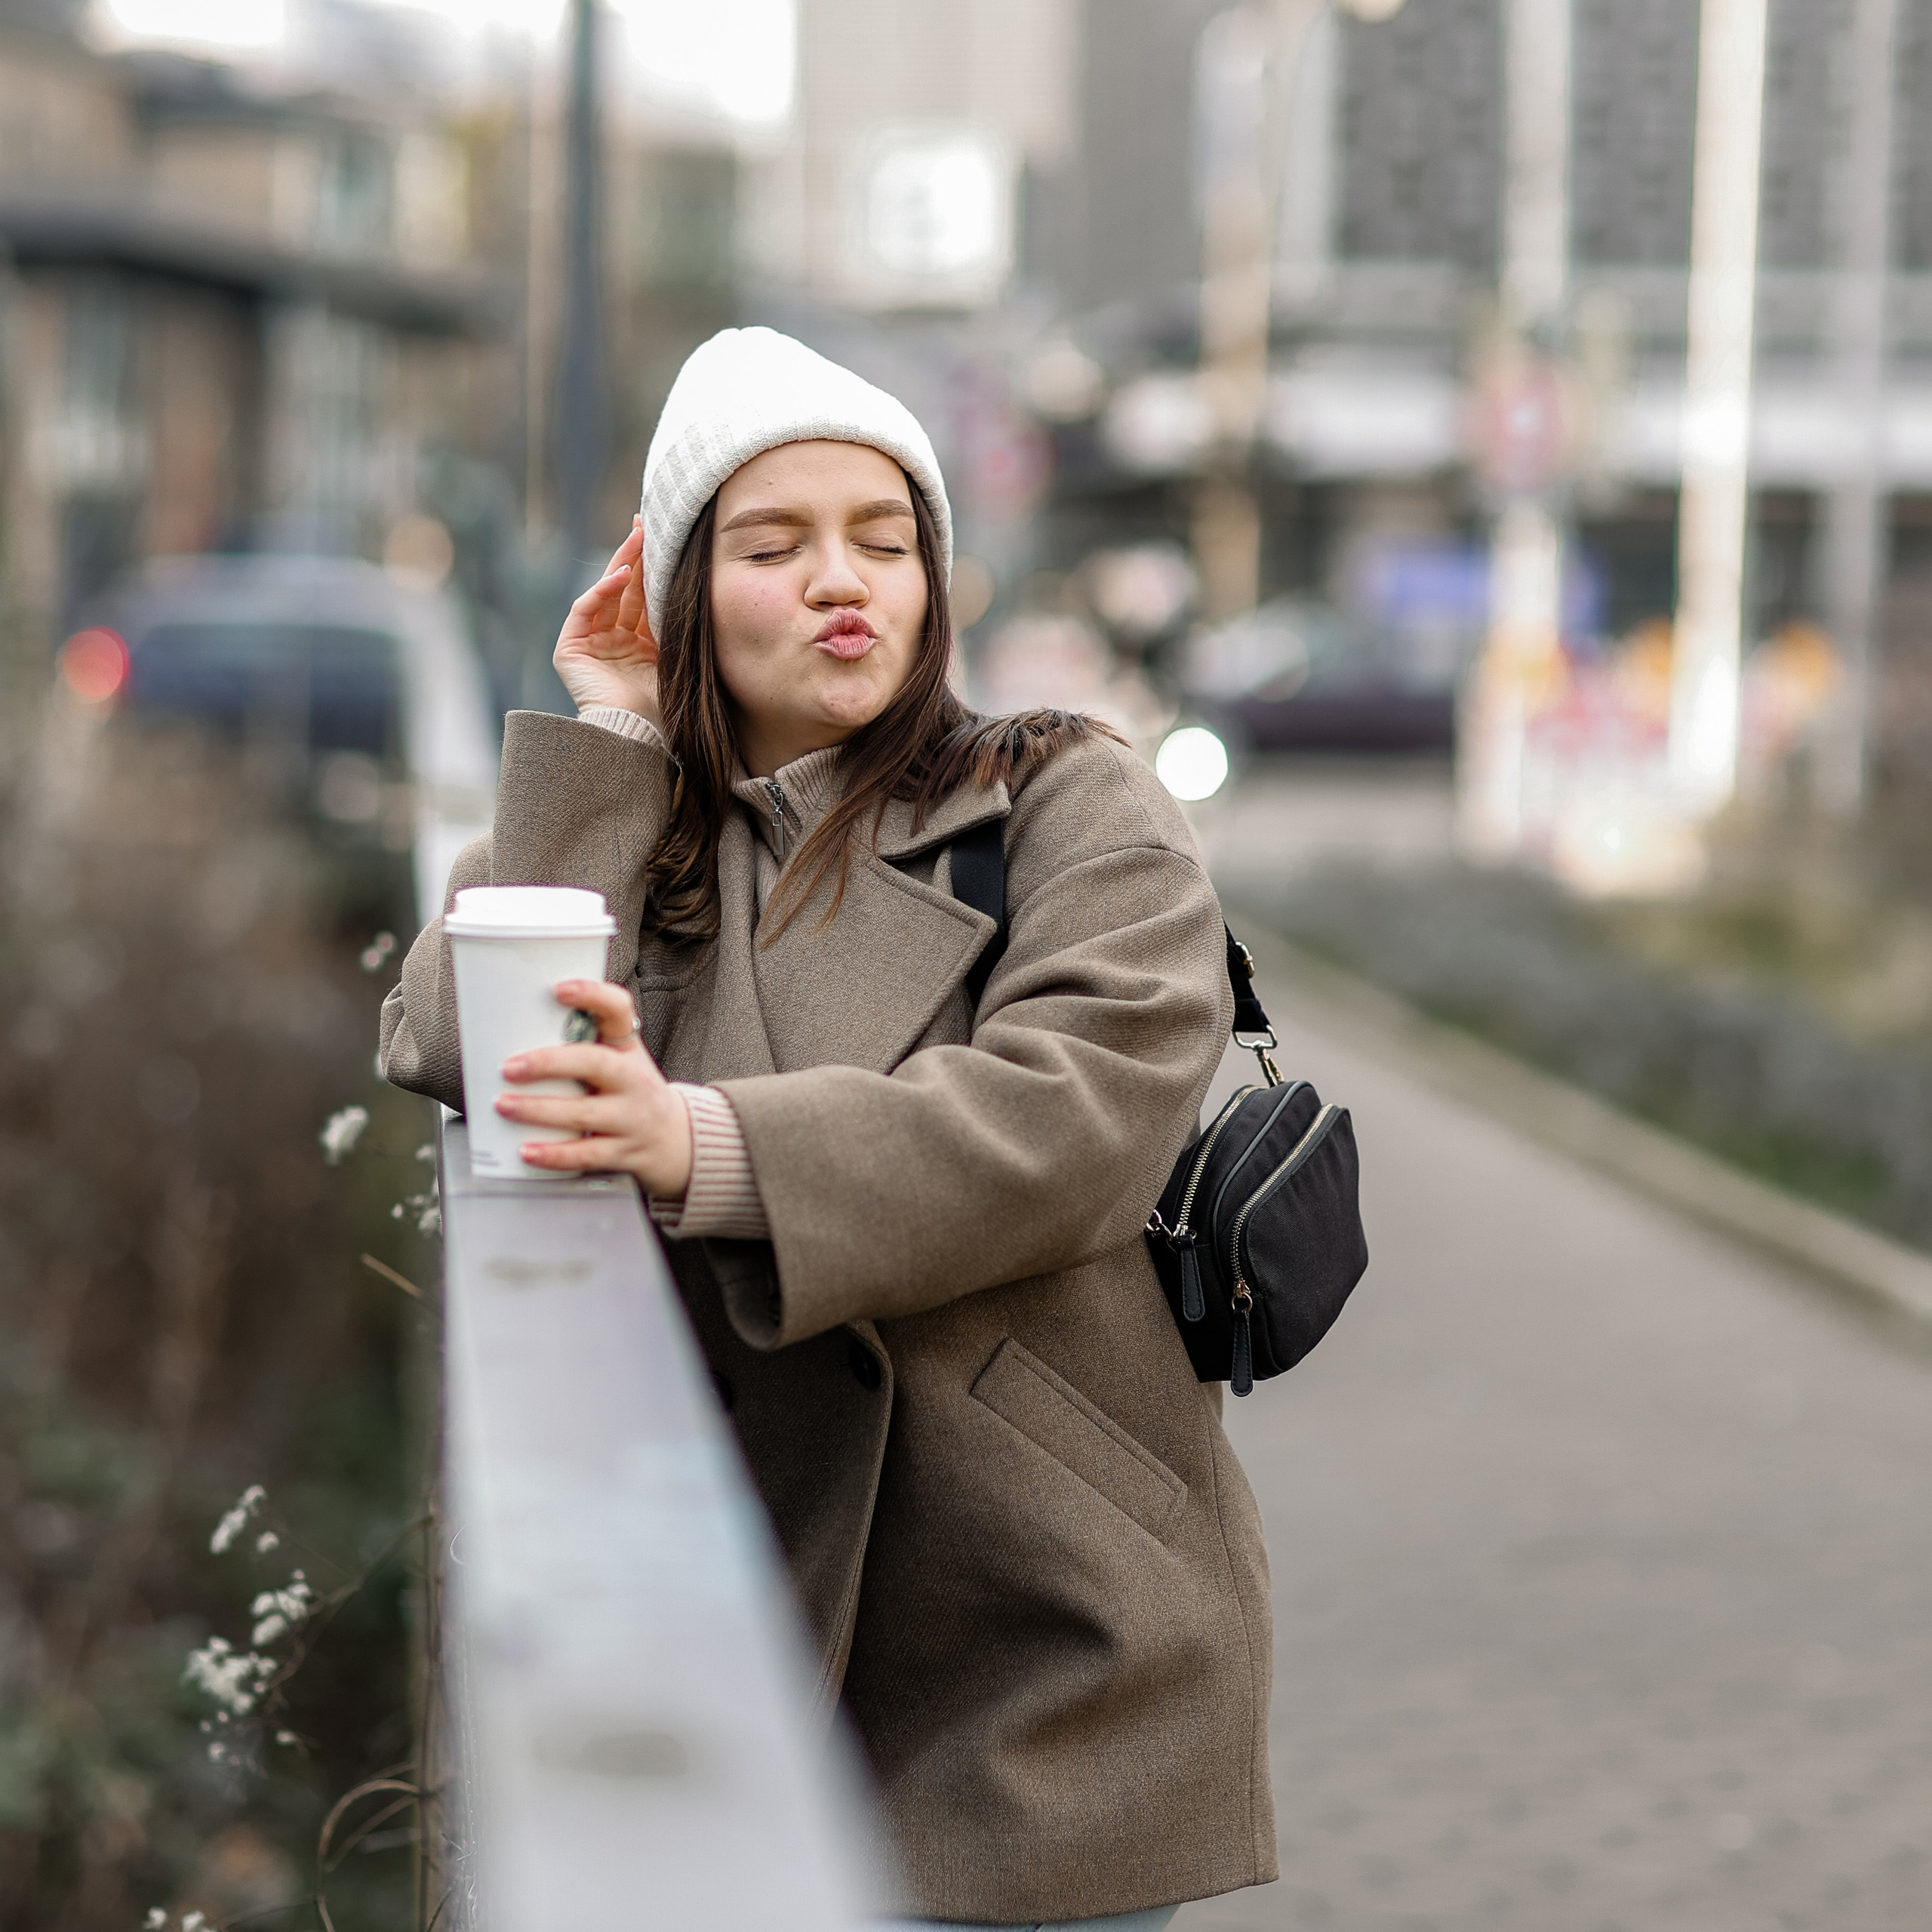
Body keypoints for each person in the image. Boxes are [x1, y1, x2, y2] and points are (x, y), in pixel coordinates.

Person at [381, 328, 1275, 1930]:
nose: (839, 580)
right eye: (771, 544)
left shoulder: (1064, 798)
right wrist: (614, 740)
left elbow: (1076, 1117)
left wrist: (695, 1144)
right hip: (721, 1596)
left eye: (882, 537)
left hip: (1034, 1622)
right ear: (680, 595)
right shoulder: (646, 842)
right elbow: (448, 1027)